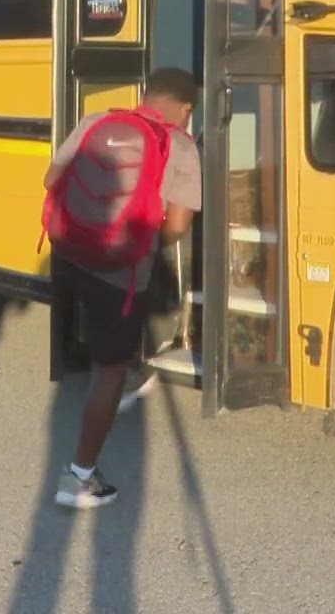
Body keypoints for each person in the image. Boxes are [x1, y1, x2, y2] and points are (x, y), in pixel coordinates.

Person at [43, 67, 201, 509]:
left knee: (103, 350)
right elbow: (176, 228)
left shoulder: (95, 121)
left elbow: (51, 180)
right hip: (119, 272)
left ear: (145, 95)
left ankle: (128, 368)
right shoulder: (182, 146)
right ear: (187, 109)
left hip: (70, 254)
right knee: (106, 373)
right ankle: (78, 478)